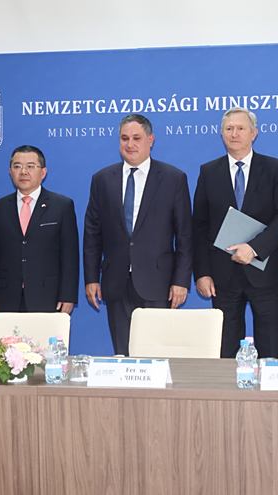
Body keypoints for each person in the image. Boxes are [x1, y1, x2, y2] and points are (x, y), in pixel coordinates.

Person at [83, 114, 192, 356]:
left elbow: (185, 235)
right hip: (116, 282)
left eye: (136, 138)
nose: (130, 144)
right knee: (122, 354)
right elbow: (92, 233)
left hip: (159, 283)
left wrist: (181, 281)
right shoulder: (102, 179)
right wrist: (91, 278)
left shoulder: (173, 178)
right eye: (124, 138)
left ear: (150, 140)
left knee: (156, 356)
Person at [192, 107, 278, 358]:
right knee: (225, 350)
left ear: (254, 133)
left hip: (266, 272)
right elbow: (199, 226)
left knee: (270, 349)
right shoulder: (209, 172)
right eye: (229, 129)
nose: (234, 134)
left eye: (240, 128)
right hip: (222, 275)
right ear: (221, 134)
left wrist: (255, 248)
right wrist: (202, 273)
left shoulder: (275, 168)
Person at [0, 145, 79, 313]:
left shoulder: (62, 206)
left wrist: (68, 295)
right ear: (10, 172)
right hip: (7, 296)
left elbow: (69, 256)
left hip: (48, 296)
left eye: (30, 166)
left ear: (43, 172)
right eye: (17, 166)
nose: (23, 172)